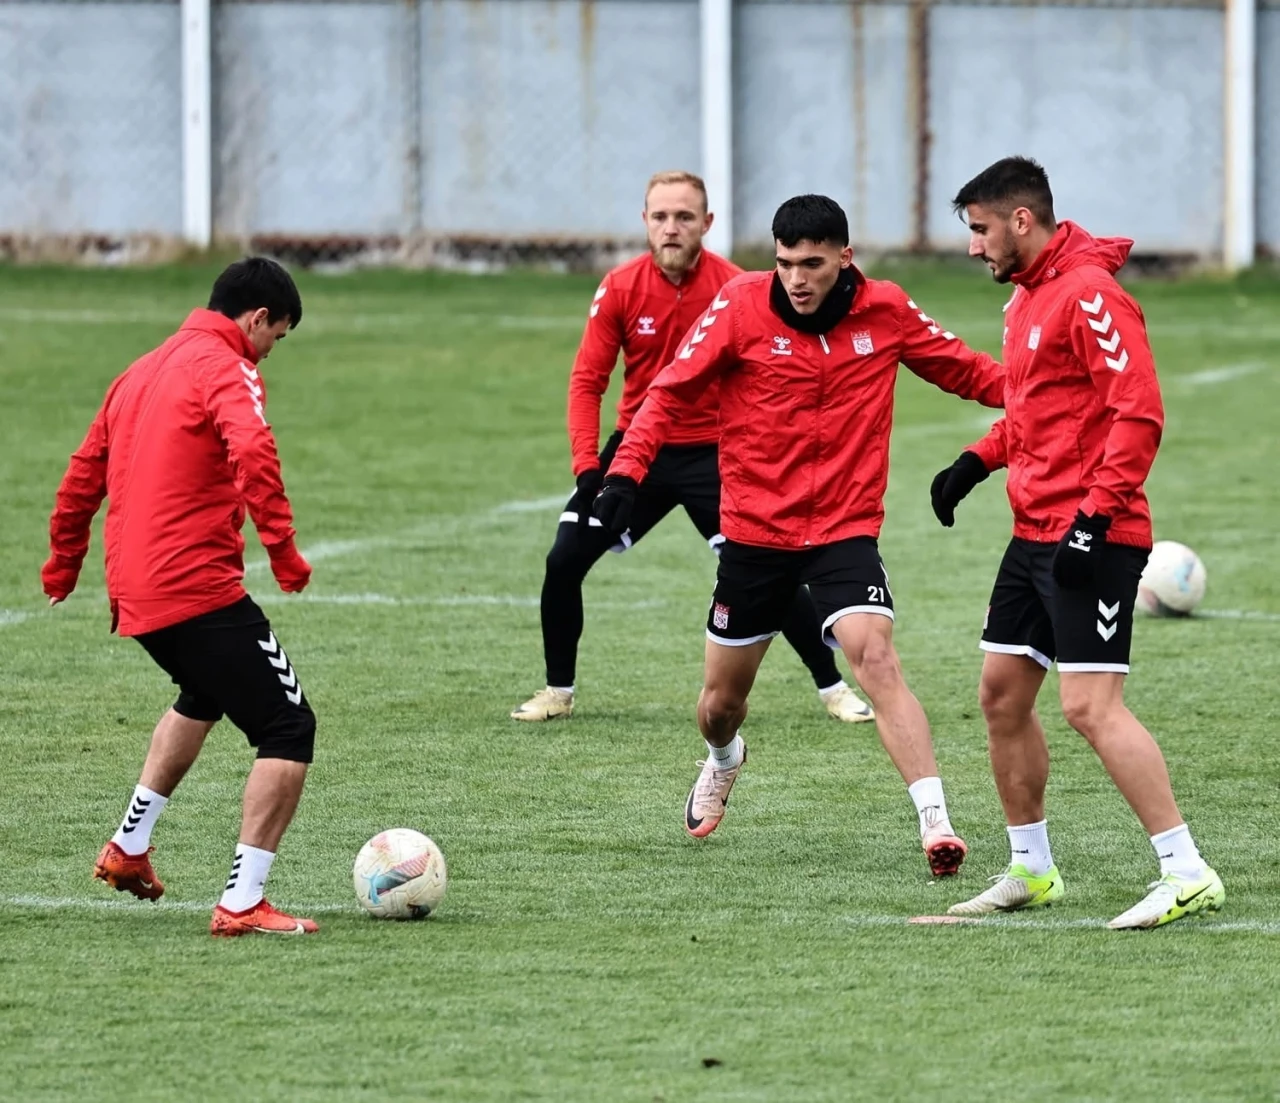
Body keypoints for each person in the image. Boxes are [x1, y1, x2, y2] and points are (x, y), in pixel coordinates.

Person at [594, 194, 1006, 875]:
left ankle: (936, 822)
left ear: (845, 257)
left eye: (812, 264)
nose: (797, 279)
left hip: (844, 528)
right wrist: (623, 476)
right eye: (785, 263)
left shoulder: (886, 309)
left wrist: (1052, 388)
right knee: (720, 704)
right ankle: (724, 757)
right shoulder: (739, 306)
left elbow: (969, 370)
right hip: (754, 534)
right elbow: (668, 392)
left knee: (876, 659)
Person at [932, 156, 1223, 928]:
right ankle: (1032, 869)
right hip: (1034, 533)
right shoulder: (1027, 297)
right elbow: (1038, 412)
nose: (973, 246)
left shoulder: (1091, 293)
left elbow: (1139, 413)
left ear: (1021, 220)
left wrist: (1094, 521)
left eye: (980, 229)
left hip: (1096, 534)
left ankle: (1187, 870)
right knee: (1001, 695)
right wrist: (976, 461)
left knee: (1090, 706)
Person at [512, 171, 874, 726]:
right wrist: (589, 468)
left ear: (706, 223)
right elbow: (587, 382)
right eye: (660, 217)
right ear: (645, 222)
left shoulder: (739, 288)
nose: (671, 228)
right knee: (564, 558)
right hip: (640, 451)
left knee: (769, 571)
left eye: (684, 217)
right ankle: (557, 690)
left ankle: (833, 686)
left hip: (718, 456)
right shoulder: (620, 288)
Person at [42, 257, 322, 937]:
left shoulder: (139, 370)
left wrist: (63, 565)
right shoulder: (227, 367)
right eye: (276, 336)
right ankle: (242, 901)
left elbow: (82, 474)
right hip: (192, 585)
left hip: (134, 589)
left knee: (204, 692)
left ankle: (128, 845)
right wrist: (283, 551)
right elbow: (253, 449)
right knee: (288, 726)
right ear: (257, 318)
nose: (270, 351)